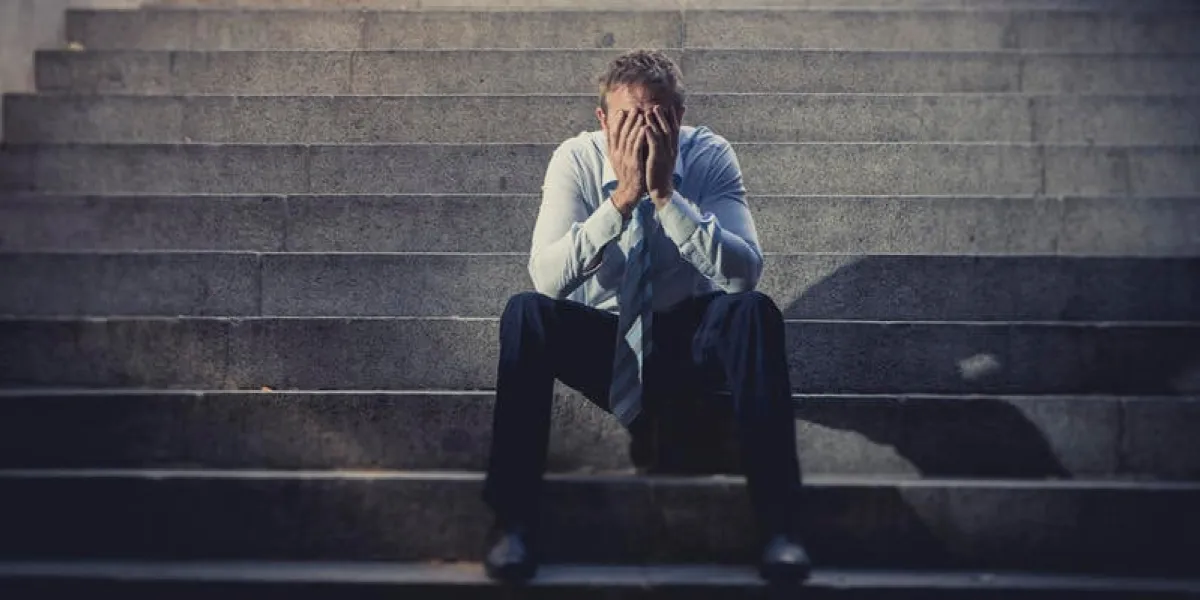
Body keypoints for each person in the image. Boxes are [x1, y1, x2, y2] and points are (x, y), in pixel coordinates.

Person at [481, 48, 811, 583]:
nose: (640, 130)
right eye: (627, 118)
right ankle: (511, 524)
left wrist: (664, 196)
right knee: (526, 314)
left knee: (753, 312)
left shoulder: (709, 155)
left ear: (678, 118)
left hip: (688, 335)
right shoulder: (576, 158)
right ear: (602, 120)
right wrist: (621, 201)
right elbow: (546, 278)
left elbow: (744, 272)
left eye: (654, 116)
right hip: (606, 343)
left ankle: (781, 528)